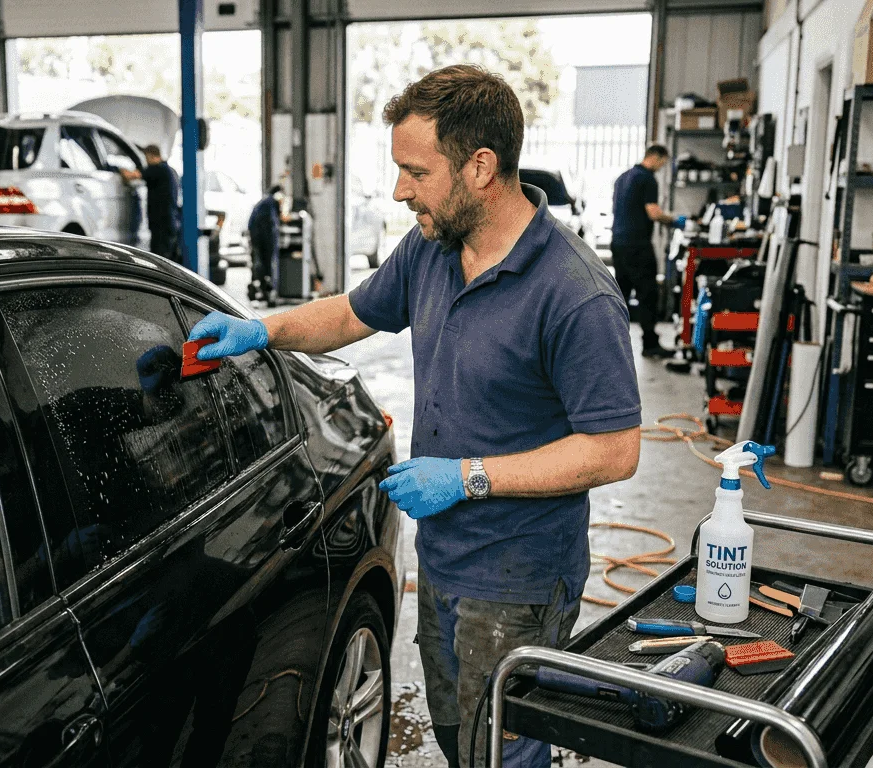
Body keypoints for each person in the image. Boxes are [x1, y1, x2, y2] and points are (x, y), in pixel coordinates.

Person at [186, 64, 642, 768]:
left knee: (504, 755)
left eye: (416, 171)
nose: (400, 190)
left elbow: (615, 450)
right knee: (459, 739)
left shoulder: (574, 294)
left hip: (518, 577)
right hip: (444, 559)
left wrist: (467, 476)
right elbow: (350, 313)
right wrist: (263, 330)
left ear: (480, 167)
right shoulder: (431, 248)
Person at [610, 145, 686, 358]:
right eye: (663, 162)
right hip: (638, 245)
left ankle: (610, 343)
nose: (662, 167)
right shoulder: (647, 179)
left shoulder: (623, 177)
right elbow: (653, 213)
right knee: (647, 293)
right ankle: (650, 343)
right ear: (656, 157)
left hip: (618, 242)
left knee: (620, 294)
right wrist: (674, 220)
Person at [141, 144, 181, 262]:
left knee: (159, 260)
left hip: (161, 224)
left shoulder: (157, 169)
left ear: (152, 156)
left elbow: (132, 176)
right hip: (170, 222)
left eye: (146, 158)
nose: (146, 162)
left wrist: (119, 170)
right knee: (168, 259)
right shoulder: (169, 170)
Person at [246, 185, 283, 303]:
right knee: (264, 265)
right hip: (263, 239)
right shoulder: (270, 203)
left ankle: (260, 289)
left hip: (257, 238)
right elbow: (274, 222)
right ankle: (264, 290)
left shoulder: (263, 202)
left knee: (258, 263)